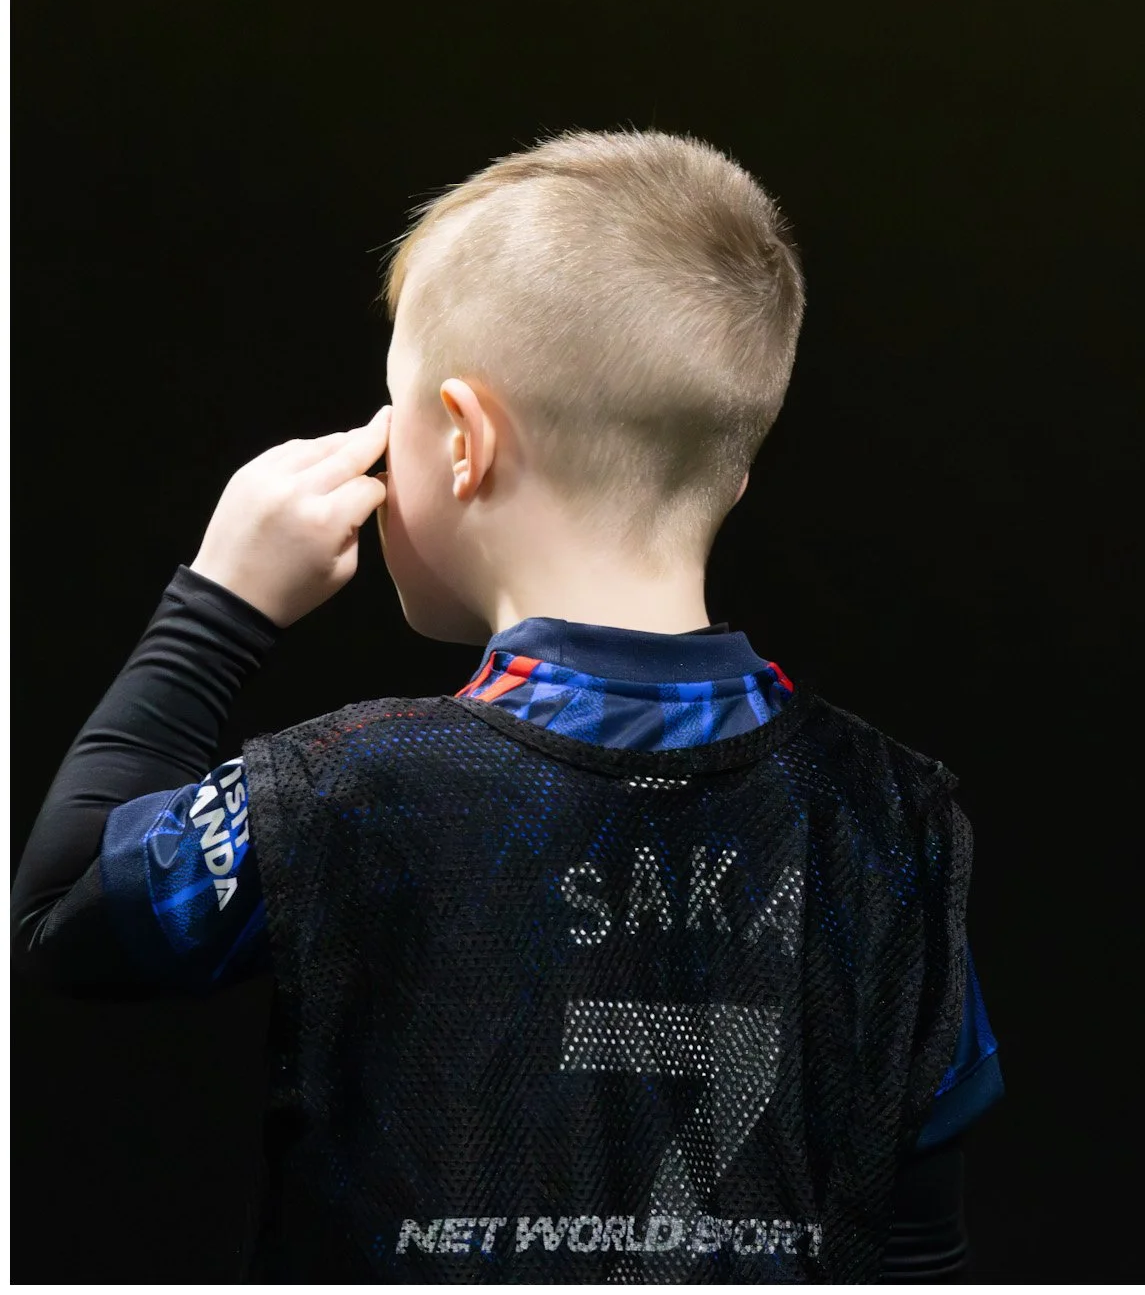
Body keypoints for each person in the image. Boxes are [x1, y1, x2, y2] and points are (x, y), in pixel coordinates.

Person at [13, 130, 1002, 1282]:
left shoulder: (350, 786)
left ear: (463, 441)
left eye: (391, 413)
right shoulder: (895, 820)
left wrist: (217, 604)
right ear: (733, 470)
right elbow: (920, 1230)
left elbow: (63, 915)